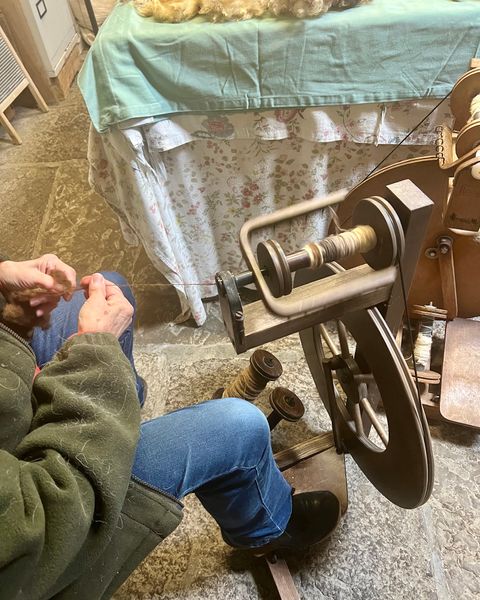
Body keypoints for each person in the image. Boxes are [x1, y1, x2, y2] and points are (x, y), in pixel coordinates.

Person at [0, 253, 340, 600]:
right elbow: (47, 521)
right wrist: (95, 361)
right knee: (241, 427)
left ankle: (125, 401)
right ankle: (267, 529)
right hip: (48, 532)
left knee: (114, 286)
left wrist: (2, 283)